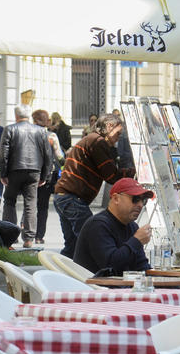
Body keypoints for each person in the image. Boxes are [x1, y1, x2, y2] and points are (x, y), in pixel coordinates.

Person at [54, 113, 135, 257]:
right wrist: (135, 172)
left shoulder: (91, 139)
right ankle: (96, 274)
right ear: (109, 127)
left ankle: (59, 274)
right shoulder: (98, 142)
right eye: (118, 134)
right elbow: (111, 175)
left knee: (73, 245)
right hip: (73, 199)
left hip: (64, 197)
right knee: (92, 238)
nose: (117, 139)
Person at [0, 104, 52, 248]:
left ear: (16, 116)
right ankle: (28, 238)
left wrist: (3, 173)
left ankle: (10, 236)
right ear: (28, 116)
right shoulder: (41, 131)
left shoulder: (9, 129)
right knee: (31, 203)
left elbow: (3, 154)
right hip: (34, 170)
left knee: (9, 201)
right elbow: (48, 154)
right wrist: (45, 176)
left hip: (14, 170)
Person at [74, 178, 153, 275]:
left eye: (144, 200)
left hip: (122, 286)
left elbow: (142, 267)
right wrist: (136, 241)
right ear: (116, 199)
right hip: (95, 288)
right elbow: (110, 265)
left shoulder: (132, 227)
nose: (140, 205)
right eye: (135, 199)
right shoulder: (98, 225)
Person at [32, 109, 66, 245]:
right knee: (43, 206)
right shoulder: (51, 136)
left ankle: (25, 227)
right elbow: (59, 156)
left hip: (29, 172)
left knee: (30, 202)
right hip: (46, 174)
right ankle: (39, 236)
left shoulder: (27, 134)